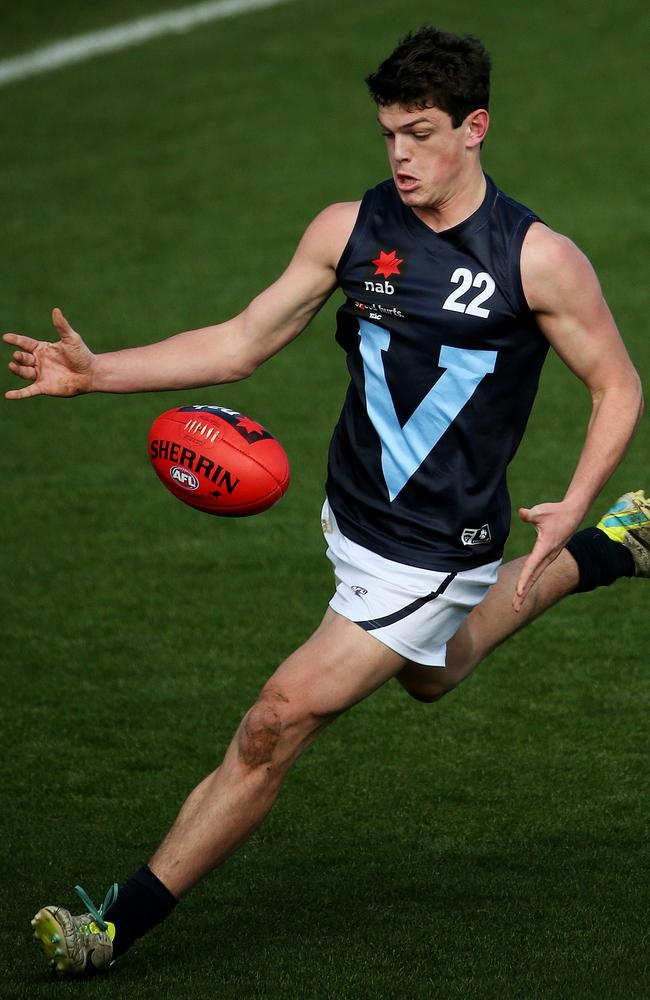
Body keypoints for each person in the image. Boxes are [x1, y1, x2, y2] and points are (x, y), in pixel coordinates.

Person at [5, 25, 647, 978]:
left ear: (476, 128)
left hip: (436, 548)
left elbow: (620, 386)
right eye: (389, 132)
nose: (400, 155)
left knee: (278, 718)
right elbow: (240, 342)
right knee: (429, 671)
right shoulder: (349, 228)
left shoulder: (537, 259)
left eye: (421, 133)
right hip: (351, 516)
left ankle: (112, 924)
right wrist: (95, 376)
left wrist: (571, 493)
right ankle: (614, 546)